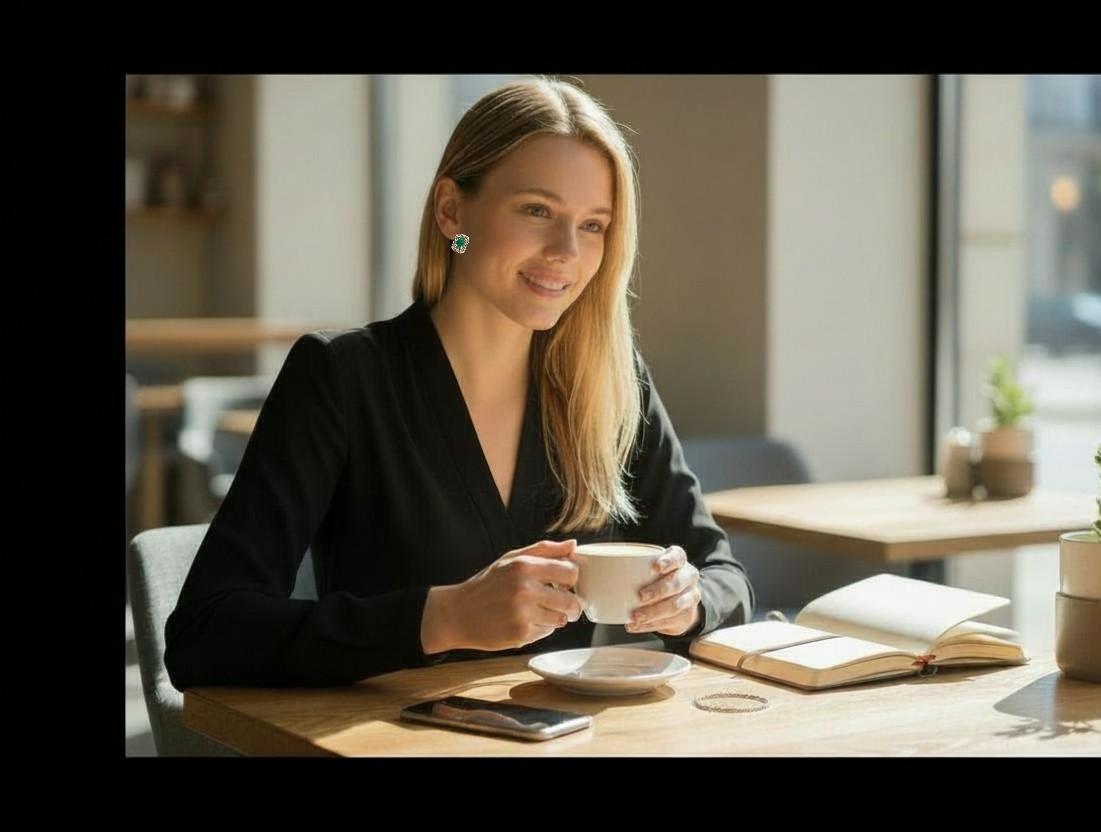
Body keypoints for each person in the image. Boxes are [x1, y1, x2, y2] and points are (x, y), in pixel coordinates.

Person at [165, 76, 755, 689]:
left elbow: (725, 576)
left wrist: (690, 601)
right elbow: (205, 634)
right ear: (453, 211)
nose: (565, 252)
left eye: (593, 226)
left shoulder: (613, 383)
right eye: (536, 210)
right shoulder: (342, 377)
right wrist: (441, 618)